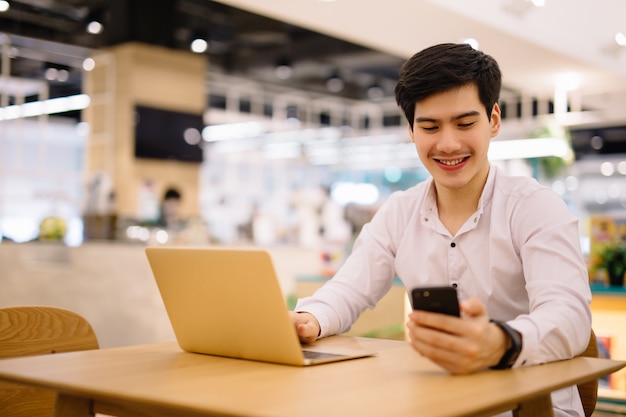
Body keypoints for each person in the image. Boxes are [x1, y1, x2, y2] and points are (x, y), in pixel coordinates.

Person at [289, 43, 591, 417]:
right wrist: (311, 320)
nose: (448, 144)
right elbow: (348, 289)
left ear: (493, 120)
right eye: (430, 126)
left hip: (532, 407)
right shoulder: (399, 211)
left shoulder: (534, 207)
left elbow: (571, 317)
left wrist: (500, 342)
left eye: (465, 124)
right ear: (411, 130)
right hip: (439, 402)